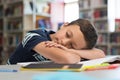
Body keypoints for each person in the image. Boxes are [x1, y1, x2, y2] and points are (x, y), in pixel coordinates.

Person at [7, 19, 105, 65]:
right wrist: (72, 53)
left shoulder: (67, 50)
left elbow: (100, 54)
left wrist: (71, 51)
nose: (64, 42)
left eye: (71, 45)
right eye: (68, 35)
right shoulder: (35, 36)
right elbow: (68, 59)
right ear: (64, 25)